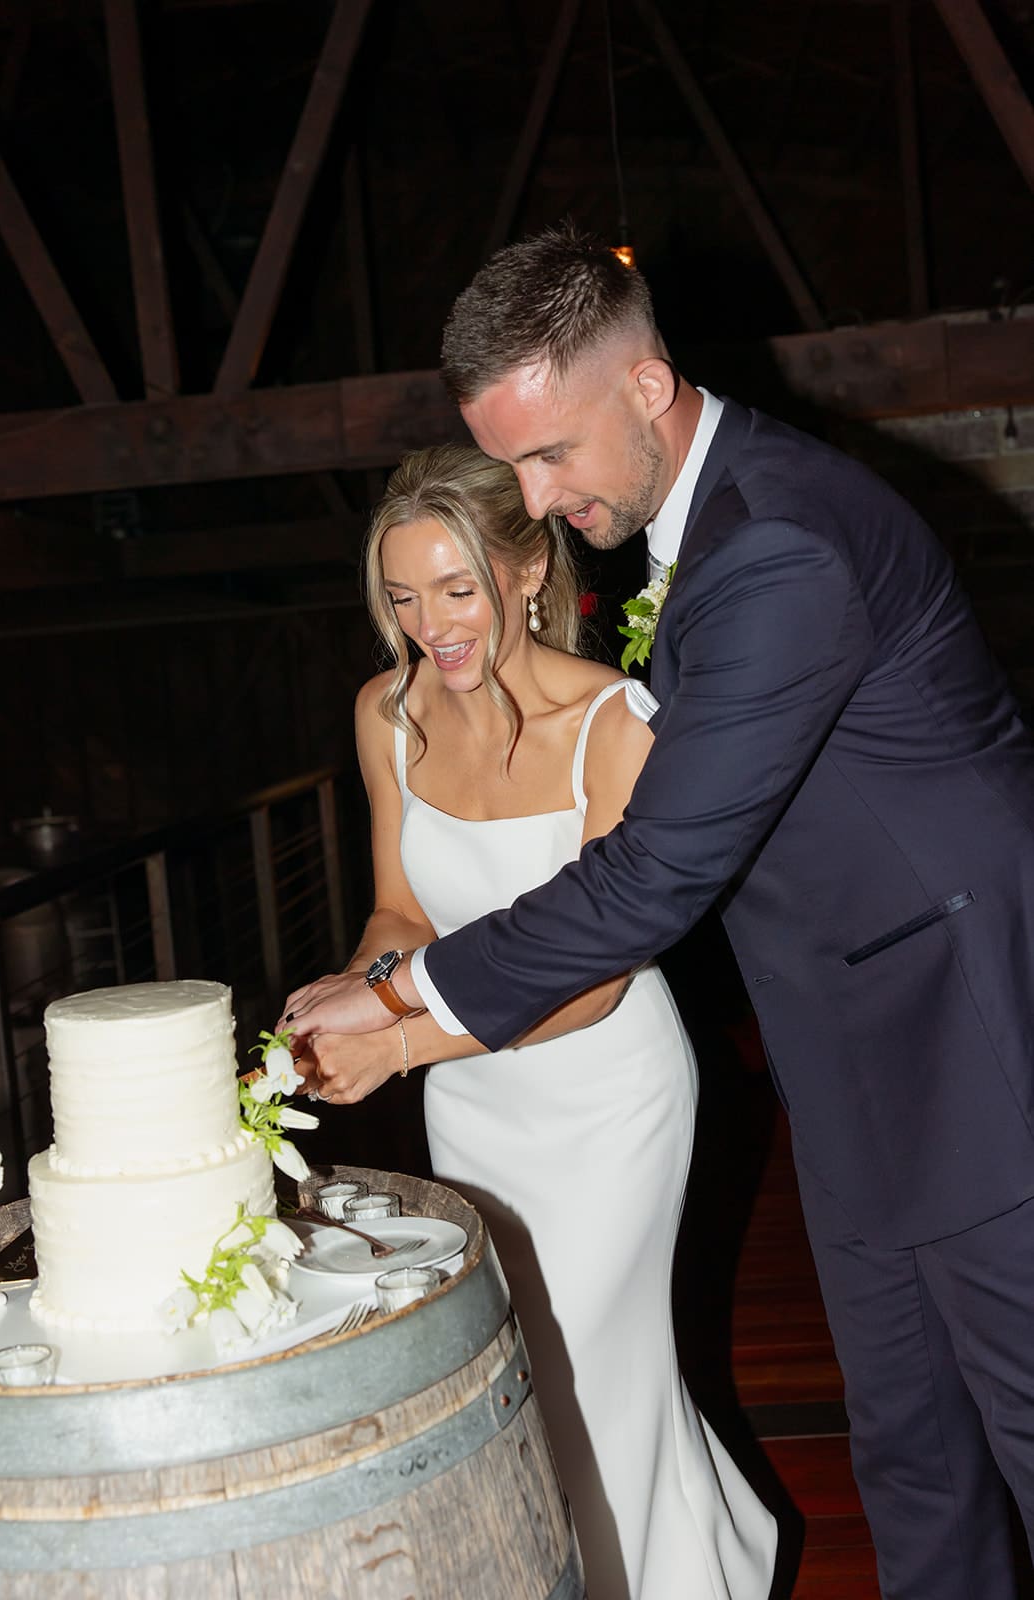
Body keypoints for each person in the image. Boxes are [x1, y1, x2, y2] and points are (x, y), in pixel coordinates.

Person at [284, 224, 1034, 1600]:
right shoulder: (705, 528)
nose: (530, 492)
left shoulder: (778, 546)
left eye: (548, 454)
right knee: (911, 1457)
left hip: (967, 1043)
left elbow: (655, 875)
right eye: (505, 460)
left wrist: (398, 1013)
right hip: (853, 1049)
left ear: (644, 387)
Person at [288, 441, 777, 1599]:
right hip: (476, 1103)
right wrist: (346, 988)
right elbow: (400, 907)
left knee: (595, 1362)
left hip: (607, 1090)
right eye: (402, 598)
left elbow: (595, 978)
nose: (429, 626)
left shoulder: (615, 722)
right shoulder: (386, 713)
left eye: (455, 589)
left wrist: (396, 1038)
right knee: (528, 1371)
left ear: (522, 570)